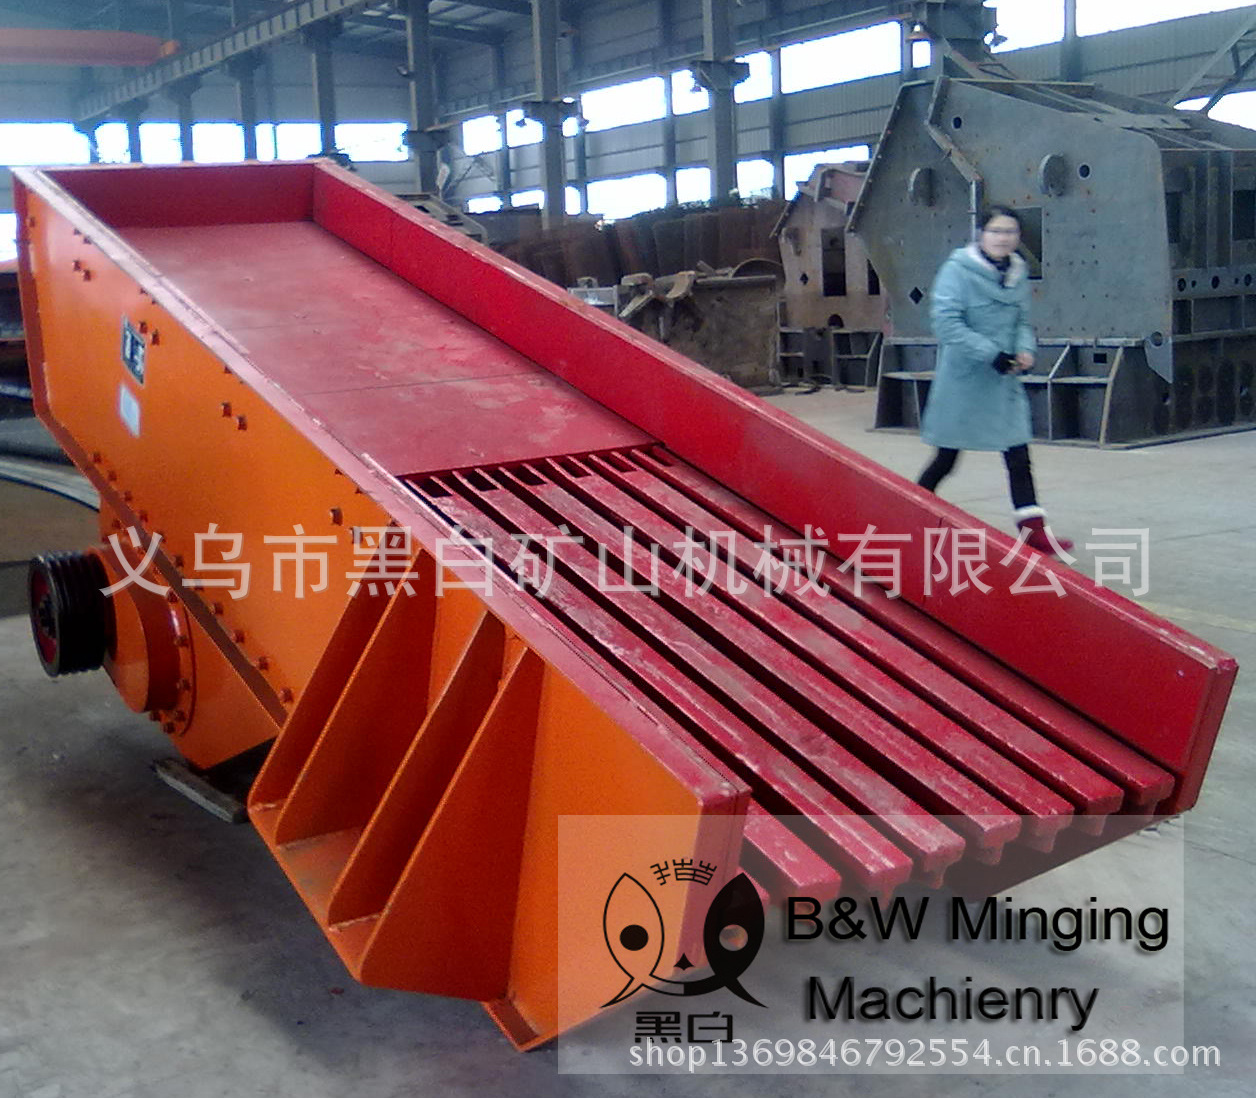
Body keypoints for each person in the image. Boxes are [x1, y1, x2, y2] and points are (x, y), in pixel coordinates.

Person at [915, 206, 1072, 553]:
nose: (1004, 238)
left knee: (1018, 454)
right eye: (997, 231)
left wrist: (1025, 349)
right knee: (947, 457)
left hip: (1004, 379)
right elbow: (947, 324)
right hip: (965, 378)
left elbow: (1022, 322)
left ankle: (1033, 531)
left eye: (1011, 232)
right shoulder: (957, 271)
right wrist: (992, 354)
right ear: (981, 234)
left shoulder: (1017, 272)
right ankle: (909, 511)